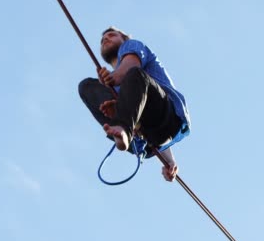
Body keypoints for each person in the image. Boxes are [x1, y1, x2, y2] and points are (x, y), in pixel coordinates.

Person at [78, 27, 190, 181]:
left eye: (111, 35)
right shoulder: (111, 87)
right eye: (102, 39)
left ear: (124, 38)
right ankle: (123, 124)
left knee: (134, 75)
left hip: (165, 114)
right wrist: (170, 162)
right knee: (86, 86)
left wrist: (115, 77)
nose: (105, 39)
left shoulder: (132, 46)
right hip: (144, 134)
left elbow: (131, 65)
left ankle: (123, 126)